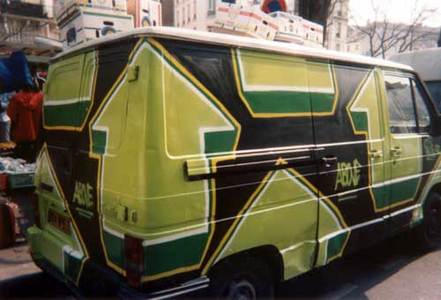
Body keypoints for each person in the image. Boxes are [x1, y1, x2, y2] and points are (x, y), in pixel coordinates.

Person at [7, 84, 43, 162]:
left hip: (20, 135)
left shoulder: (16, 98)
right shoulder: (41, 96)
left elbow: (11, 117)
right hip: (38, 136)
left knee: (20, 163)